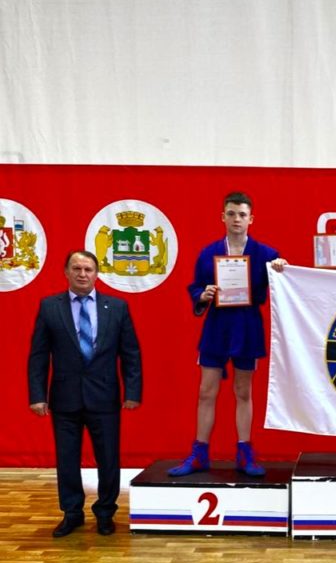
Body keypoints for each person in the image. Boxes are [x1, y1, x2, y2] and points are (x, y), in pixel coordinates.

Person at [169, 192, 286, 479]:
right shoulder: (208, 253)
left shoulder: (266, 254)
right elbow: (196, 287)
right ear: (222, 216)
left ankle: (244, 452)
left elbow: (283, 286)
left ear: (251, 219)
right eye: (231, 214)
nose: (236, 219)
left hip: (247, 326)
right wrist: (203, 294)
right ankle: (200, 453)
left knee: (243, 391)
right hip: (217, 326)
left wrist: (281, 267)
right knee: (206, 391)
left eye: (242, 214)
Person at [28, 250, 142, 537]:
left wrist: (132, 391)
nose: (82, 274)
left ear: (97, 274)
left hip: (104, 397)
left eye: (88, 269)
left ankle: (105, 512)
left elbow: (130, 353)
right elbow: (38, 355)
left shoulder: (117, 307)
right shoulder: (49, 307)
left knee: (108, 458)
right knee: (67, 459)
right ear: (66, 272)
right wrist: (37, 395)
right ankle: (72, 513)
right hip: (64, 398)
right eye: (76, 268)